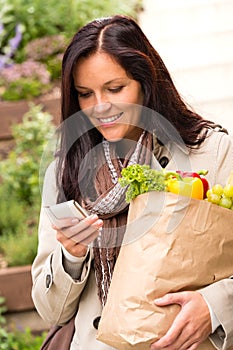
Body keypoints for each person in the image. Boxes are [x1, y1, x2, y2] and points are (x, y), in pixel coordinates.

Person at [31, 15, 233, 350]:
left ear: (146, 82)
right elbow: (50, 309)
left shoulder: (209, 151)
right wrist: (71, 255)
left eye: (114, 89)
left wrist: (214, 307)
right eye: (85, 94)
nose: (100, 107)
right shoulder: (66, 170)